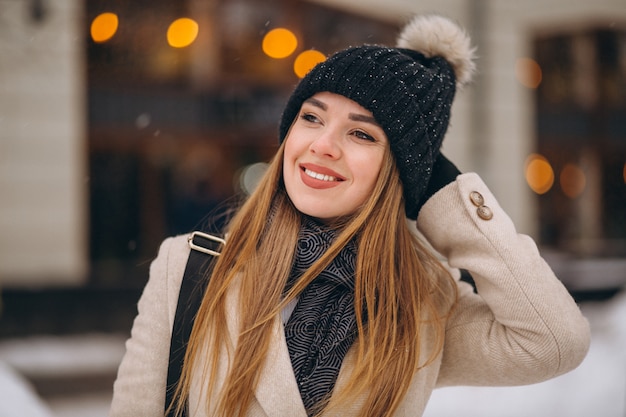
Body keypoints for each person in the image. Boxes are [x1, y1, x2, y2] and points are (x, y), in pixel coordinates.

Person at [109, 14, 590, 417]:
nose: (322, 145)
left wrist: (440, 190)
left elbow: (554, 341)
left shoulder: (422, 305)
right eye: (311, 118)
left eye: (362, 135)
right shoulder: (189, 270)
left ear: (397, 173)